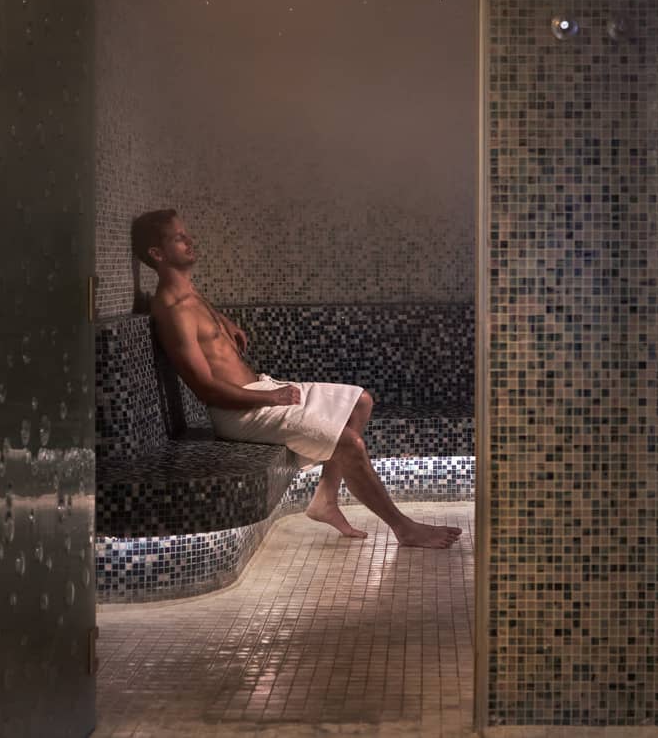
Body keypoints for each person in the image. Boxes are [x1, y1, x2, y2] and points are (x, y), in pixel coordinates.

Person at [130, 208, 462, 549]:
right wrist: (270, 399)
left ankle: (325, 500)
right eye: (179, 238)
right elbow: (206, 389)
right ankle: (403, 527)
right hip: (239, 413)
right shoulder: (172, 309)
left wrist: (223, 324)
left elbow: (203, 326)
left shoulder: (188, 293)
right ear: (157, 254)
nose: (190, 240)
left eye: (186, 234)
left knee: (360, 401)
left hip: (260, 387)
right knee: (349, 444)